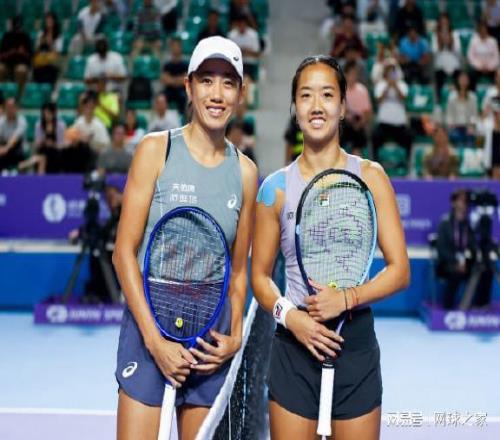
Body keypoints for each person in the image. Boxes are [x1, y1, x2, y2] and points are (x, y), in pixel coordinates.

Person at [251, 55, 409, 440]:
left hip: (355, 346)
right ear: (295, 107)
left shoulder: (371, 177)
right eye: (306, 95)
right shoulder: (274, 189)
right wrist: (292, 318)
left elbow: (399, 270)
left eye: (327, 95)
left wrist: (347, 298)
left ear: (342, 106)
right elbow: (259, 278)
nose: (316, 106)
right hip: (294, 347)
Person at [113, 36, 257, 440]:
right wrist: (155, 341)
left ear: (240, 94)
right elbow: (123, 253)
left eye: (228, 82)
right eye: (206, 80)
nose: (217, 94)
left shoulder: (246, 173)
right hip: (150, 319)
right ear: (189, 87)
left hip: (210, 332)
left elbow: (238, 272)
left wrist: (234, 337)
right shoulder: (155, 150)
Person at [435, 189, 476, 310]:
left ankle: (479, 305)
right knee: (455, 272)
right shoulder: (445, 223)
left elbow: (473, 247)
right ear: (453, 203)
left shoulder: (467, 225)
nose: (464, 204)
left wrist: (467, 260)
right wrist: (456, 262)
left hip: (465, 262)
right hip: (447, 263)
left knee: (484, 271)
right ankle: (448, 306)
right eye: (461, 201)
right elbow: (441, 249)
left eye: (466, 202)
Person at [446, 70, 478, 147]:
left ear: (469, 81)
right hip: (455, 126)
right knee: (454, 135)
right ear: (458, 80)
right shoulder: (451, 96)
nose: (463, 81)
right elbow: (449, 114)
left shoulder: (473, 97)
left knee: (470, 136)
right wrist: (451, 124)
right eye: (461, 79)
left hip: (468, 126)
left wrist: (471, 125)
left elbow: (474, 115)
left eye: (465, 79)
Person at [161, 36, 189, 114]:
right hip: (169, 90)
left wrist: (172, 80)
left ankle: (182, 118)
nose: (175, 48)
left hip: (182, 90)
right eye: (174, 46)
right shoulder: (167, 65)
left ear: (180, 47)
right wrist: (178, 80)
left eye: (177, 46)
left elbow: (185, 80)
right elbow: (165, 80)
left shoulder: (185, 64)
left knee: (183, 97)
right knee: (161, 97)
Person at [0, 98, 27, 172]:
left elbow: (15, 138)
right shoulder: (1, 121)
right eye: (8, 107)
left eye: (12, 107)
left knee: (17, 150)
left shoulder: (22, 120)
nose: (10, 110)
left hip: (17, 148)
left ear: (16, 108)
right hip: (3, 146)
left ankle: (17, 172)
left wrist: (5, 148)